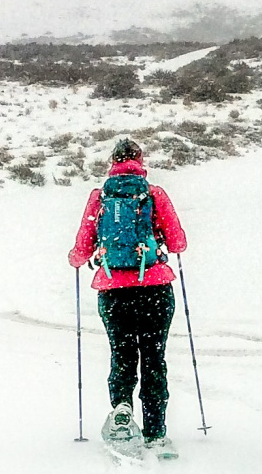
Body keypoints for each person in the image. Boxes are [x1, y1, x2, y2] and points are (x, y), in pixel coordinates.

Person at [69, 138, 188, 455]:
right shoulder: (153, 194)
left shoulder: (100, 197)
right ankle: (156, 433)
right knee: (153, 358)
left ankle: (122, 407)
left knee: (122, 355)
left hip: (113, 291)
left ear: (112, 162)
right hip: (155, 290)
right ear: (140, 160)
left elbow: (82, 248)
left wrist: (76, 258)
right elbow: (178, 243)